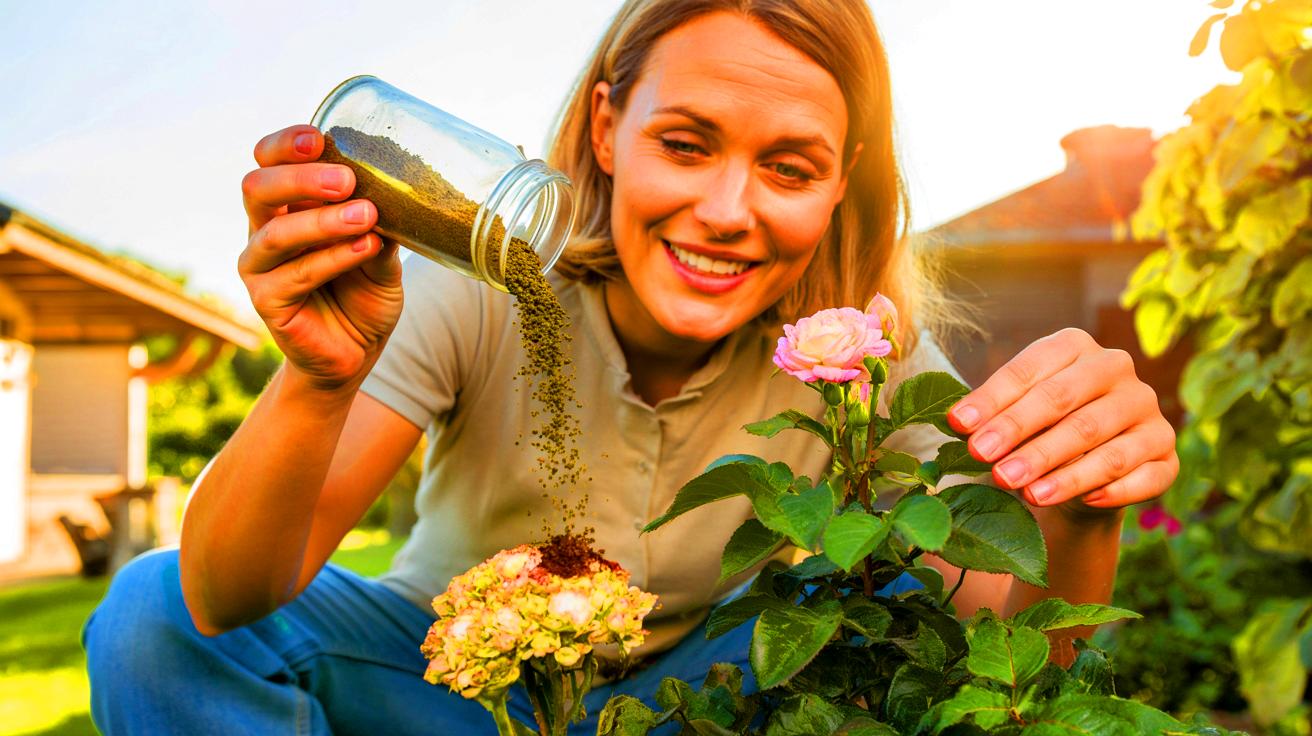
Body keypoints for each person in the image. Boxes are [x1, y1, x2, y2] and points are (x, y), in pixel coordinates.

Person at [84, 1, 1179, 734]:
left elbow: (1004, 634)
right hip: (447, 690)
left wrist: (1078, 501)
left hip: (698, 701)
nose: (725, 212)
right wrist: (315, 381)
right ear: (609, 124)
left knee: (886, 590)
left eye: (787, 165)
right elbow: (225, 599)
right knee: (148, 609)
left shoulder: (857, 350)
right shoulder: (485, 277)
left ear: (838, 181)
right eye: (687, 143)